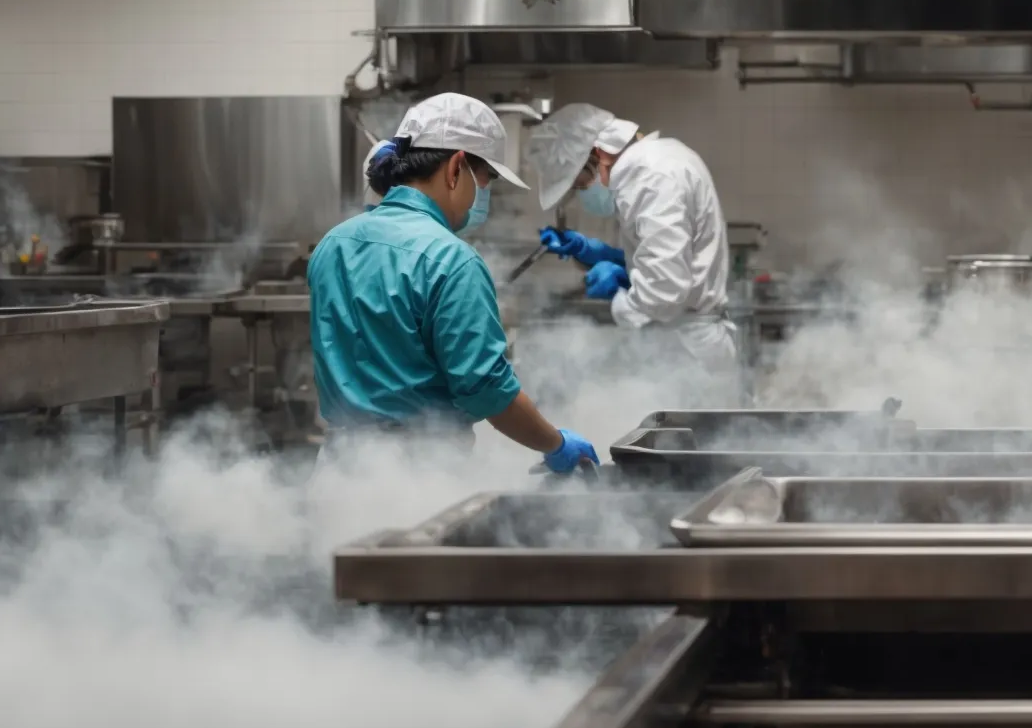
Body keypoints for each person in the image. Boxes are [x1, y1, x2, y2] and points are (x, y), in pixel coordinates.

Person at [308, 93, 597, 473]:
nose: (485, 194)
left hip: (337, 468)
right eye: (487, 178)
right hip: (416, 472)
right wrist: (556, 444)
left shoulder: (333, 243)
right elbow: (487, 391)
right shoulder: (451, 259)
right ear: (456, 167)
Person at [528, 103, 738, 372]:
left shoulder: (651, 179)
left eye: (580, 184)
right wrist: (602, 254)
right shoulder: (659, 160)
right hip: (685, 342)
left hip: (689, 351)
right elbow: (670, 261)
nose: (582, 193)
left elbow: (665, 292)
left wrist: (617, 295)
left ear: (599, 154)